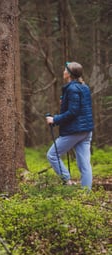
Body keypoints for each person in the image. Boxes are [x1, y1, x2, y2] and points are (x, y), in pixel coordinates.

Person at [45, 61, 94, 189]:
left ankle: (67, 181)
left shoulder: (72, 88)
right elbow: (80, 109)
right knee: (84, 164)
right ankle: (86, 195)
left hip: (75, 131)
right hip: (86, 130)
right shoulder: (84, 87)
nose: (63, 71)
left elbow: (73, 112)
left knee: (52, 155)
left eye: (65, 69)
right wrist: (64, 102)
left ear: (69, 74)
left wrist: (54, 119)